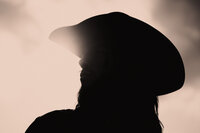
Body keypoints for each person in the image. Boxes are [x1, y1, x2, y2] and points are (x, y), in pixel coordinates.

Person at [25, 12, 185, 133]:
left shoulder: (53, 127)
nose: (82, 62)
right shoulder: (52, 127)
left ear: (126, 67)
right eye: (86, 54)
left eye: (98, 54)